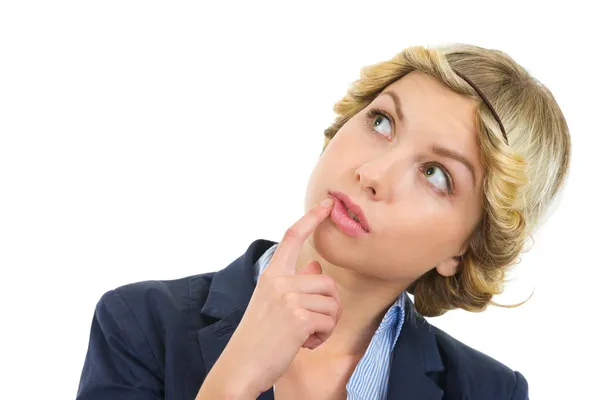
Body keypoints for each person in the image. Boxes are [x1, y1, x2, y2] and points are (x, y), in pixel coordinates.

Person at [76, 43, 570, 400]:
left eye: (436, 174)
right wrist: (234, 383)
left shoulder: (487, 392)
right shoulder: (140, 323)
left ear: (465, 248)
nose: (373, 175)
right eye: (382, 122)